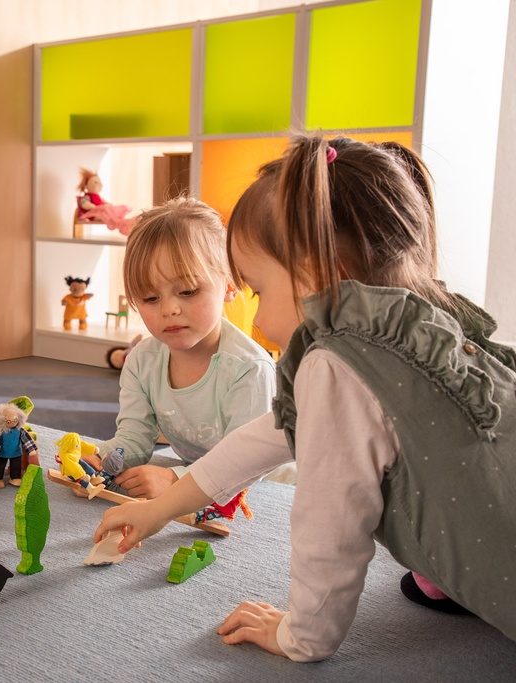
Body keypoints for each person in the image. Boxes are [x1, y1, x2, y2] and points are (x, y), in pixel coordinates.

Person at [94, 133, 516, 661]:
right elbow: (264, 438)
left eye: (258, 291)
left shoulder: (337, 363)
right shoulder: (414, 322)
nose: (261, 317)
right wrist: (162, 509)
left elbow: (329, 528)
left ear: (323, 273)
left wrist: (301, 634)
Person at [83, 196, 276, 501]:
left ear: (229, 284)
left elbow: (245, 466)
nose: (169, 309)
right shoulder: (141, 362)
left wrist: (175, 478)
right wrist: (104, 459)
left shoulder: (249, 369)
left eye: (187, 291)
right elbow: (134, 439)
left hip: (268, 489)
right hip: (201, 478)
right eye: (150, 298)